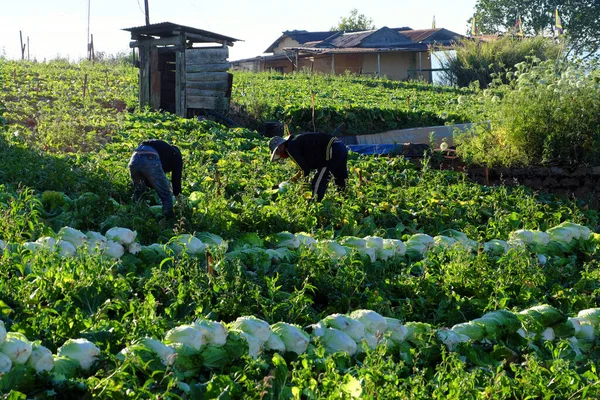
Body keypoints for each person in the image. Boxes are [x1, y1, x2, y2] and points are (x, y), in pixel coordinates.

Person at [269, 132, 348, 202]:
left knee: (319, 181)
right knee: (340, 177)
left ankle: (315, 203)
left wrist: (304, 186)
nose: (280, 154)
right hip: (340, 146)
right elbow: (303, 167)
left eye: (278, 152)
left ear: (280, 147)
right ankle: (343, 201)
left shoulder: (290, 148)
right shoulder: (294, 142)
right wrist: (293, 180)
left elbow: (305, 170)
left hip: (331, 149)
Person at [128, 139, 182, 218]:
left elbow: (149, 179)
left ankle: (137, 217)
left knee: (139, 193)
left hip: (134, 158)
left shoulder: (164, 151)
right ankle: (168, 220)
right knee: (166, 195)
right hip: (149, 157)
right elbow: (176, 180)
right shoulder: (177, 157)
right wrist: (179, 199)